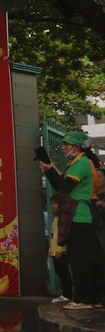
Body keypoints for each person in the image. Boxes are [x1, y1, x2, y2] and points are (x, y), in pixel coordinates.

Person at [40, 130, 105, 310]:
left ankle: (84, 299)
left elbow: (64, 187)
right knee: (85, 258)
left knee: (80, 260)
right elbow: (63, 186)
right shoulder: (78, 162)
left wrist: (51, 170)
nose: (62, 148)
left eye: (65, 144)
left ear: (75, 147)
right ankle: (92, 298)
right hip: (80, 216)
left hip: (79, 216)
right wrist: (51, 170)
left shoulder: (81, 162)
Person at [48, 194, 73, 302]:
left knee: (63, 273)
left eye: (55, 203)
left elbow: (63, 236)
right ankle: (65, 294)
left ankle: (67, 294)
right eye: (52, 204)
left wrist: (60, 250)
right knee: (59, 272)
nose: (53, 206)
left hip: (60, 251)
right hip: (54, 250)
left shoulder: (62, 218)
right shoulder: (56, 218)